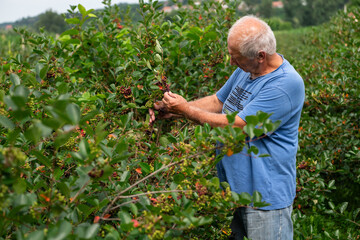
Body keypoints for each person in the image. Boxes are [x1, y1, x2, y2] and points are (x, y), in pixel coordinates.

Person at [149, 15, 305, 240]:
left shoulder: (285, 84)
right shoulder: (247, 69)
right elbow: (218, 101)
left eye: (236, 58)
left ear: (261, 56)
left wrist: (185, 110)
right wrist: (170, 110)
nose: (232, 63)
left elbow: (239, 127)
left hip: (264, 199)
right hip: (234, 191)